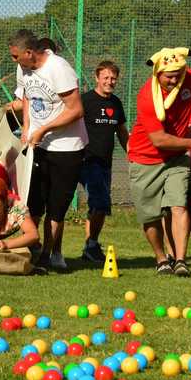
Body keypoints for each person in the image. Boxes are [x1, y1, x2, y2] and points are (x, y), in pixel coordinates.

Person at [128, 47, 191, 276]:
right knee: (150, 216)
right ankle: (161, 259)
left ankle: (180, 261)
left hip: (176, 158)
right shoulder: (146, 96)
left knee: (178, 206)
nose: (174, 79)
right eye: (169, 75)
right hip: (145, 158)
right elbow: (158, 140)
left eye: (178, 73)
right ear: (158, 73)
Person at [9, 29, 88, 271]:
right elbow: (28, 99)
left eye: (15, 56)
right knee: (33, 201)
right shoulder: (24, 68)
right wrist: (27, 127)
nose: (14, 60)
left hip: (67, 148)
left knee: (57, 204)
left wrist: (44, 129)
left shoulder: (58, 68)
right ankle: (32, 249)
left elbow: (76, 110)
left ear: (30, 53)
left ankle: (53, 253)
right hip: (37, 146)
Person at [79, 60, 129, 262]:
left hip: (105, 162)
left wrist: (132, 154)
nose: (110, 81)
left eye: (113, 78)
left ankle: (90, 246)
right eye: (106, 77)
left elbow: (122, 133)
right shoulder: (85, 100)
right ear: (97, 77)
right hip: (85, 160)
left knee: (98, 205)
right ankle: (87, 246)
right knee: (99, 202)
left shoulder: (116, 103)